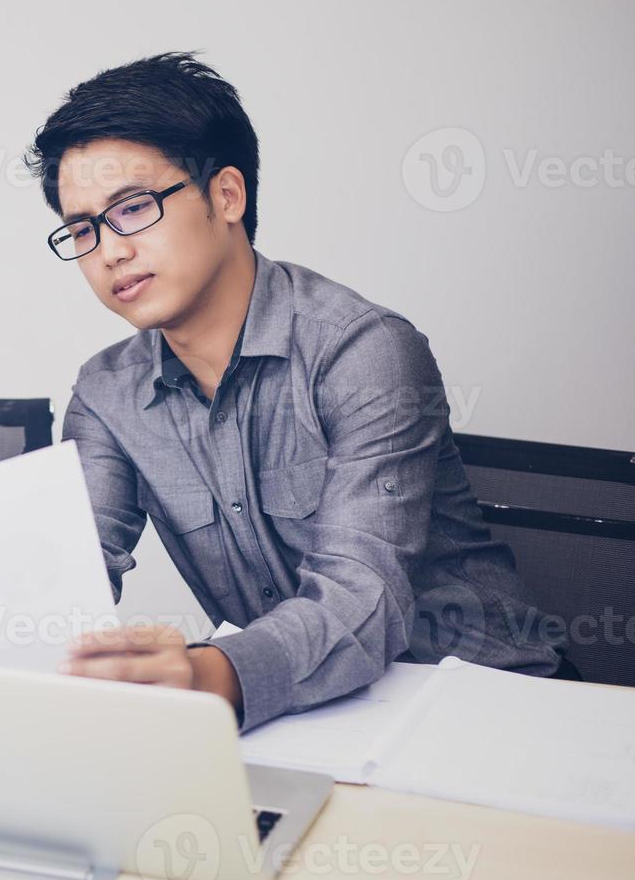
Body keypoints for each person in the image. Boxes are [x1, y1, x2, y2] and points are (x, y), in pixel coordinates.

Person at [28, 53, 570, 732]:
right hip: (308, 717)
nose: (107, 250)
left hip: (488, 707)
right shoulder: (106, 394)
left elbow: (364, 601)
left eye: (132, 208)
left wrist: (205, 672)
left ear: (226, 195)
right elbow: (64, 580)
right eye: (81, 229)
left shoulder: (363, 350)